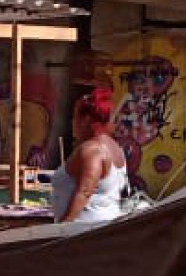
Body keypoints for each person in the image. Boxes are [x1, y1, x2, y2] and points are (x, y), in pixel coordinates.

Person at [53, 84, 129, 224]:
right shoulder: (114, 147)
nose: (72, 123)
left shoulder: (92, 150)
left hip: (84, 231)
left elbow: (84, 192)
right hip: (106, 224)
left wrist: (62, 227)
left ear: (86, 120)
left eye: (74, 117)